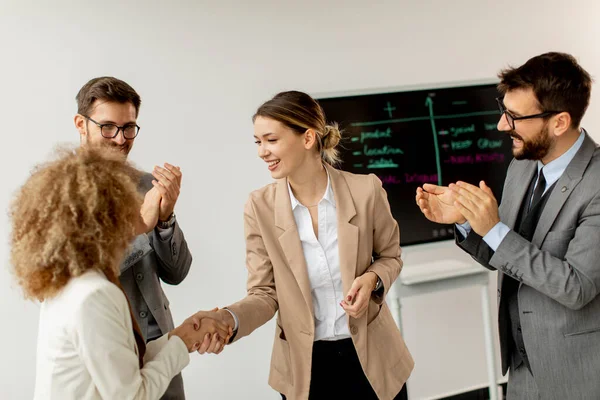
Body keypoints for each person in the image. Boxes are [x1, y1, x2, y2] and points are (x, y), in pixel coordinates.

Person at [194, 91, 413, 399]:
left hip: (372, 359)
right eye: (258, 142)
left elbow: (391, 256)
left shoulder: (366, 191)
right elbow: (264, 294)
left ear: (308, 138)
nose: (262, 152)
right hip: (305, 367)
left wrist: (372, 279)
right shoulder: (259, 207)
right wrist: (228, 319)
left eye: (271, 140)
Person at [416, 52, 600, 399]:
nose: (502, 125)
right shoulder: (523, 166)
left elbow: (576, 287)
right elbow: (507, 258)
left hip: (579, 376)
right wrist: (470, 223)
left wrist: (495, 229)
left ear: (559, 122)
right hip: (520, 372)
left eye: (514, 116)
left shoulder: (597, 183)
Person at [9, 146, 230, 400]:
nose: (139, 213)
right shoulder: (95, 294)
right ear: (107, 221)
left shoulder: (71, 283)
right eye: (128, 207)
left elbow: (122, 363)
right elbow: (133, 396)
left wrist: (181, 336)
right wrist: (180, 343)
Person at [74, 77, 193, 399]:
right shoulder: (60, 192)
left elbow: (177, 273)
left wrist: (166, 218)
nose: (120, 139)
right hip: (106, 351)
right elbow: (76, 276)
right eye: (108, 127)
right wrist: (141, 226)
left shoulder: (146, 184)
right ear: (80, 124)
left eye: (129, 128)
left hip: (161, 347)